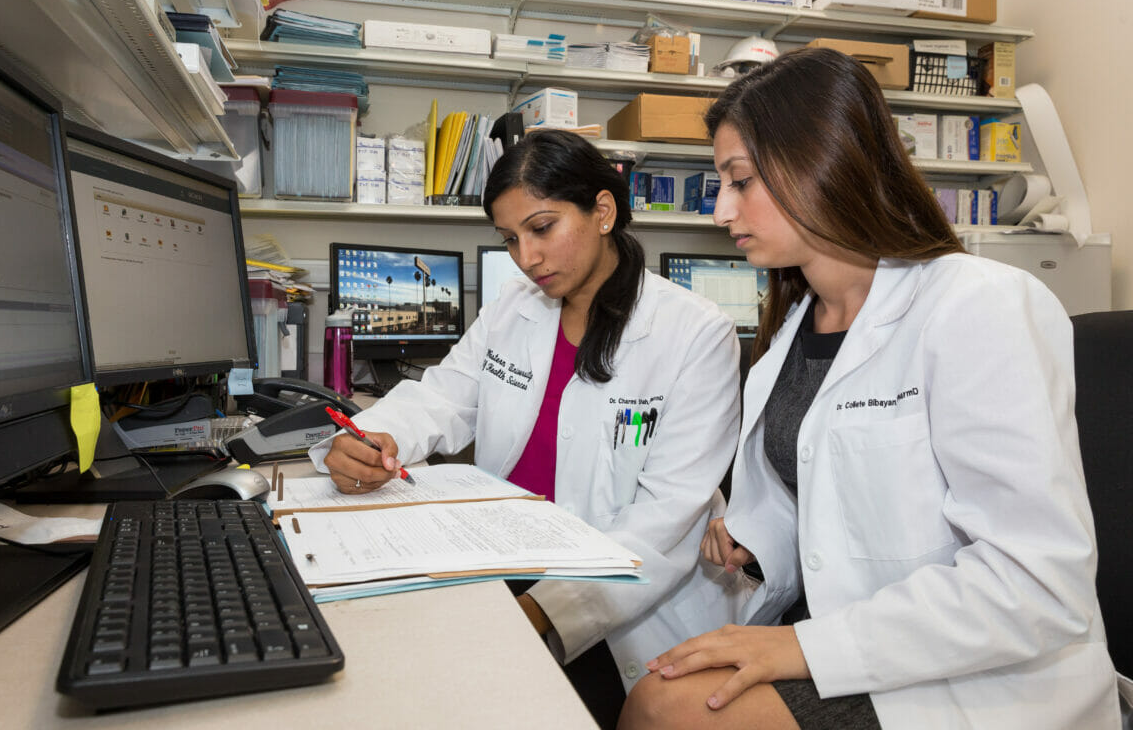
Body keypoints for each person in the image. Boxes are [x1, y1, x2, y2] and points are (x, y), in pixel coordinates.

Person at [617, 47, 1120, 730]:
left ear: (820, 160)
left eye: (739, 181)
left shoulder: (979, 306)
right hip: (859, 634)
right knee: (662, 684)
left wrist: (802, 643)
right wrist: (757, 532)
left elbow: (1036, 583)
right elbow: (835, 491)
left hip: (980, 674)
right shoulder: (798, 322)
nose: (719, 210)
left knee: (669, 709)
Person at [308, 129, 750, 728]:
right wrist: (368, 438)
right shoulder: (515, 306)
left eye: (542, 228)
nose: (527, 257)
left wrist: (544, 612)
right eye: (511, 239)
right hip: (501, 561)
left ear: (602, 211)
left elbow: (667, 520)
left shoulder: (696, 333)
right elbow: (441, 397)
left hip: (618, 600)